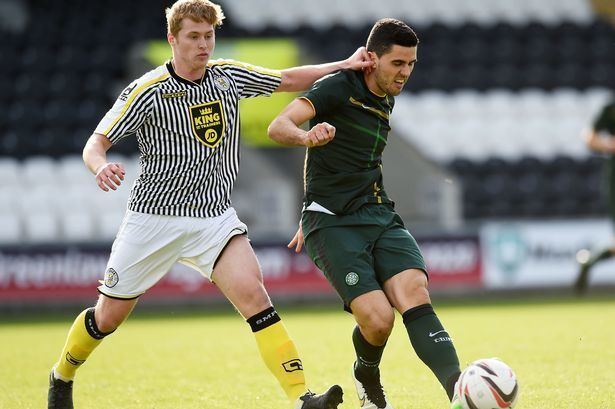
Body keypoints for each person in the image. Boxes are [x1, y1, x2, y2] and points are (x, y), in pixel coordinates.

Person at [47, 1, 373, 408]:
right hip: (153, 219)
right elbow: (96, 143)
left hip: (213, 218)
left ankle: (302, 397)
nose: (204, 45)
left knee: (256, 298)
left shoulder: (228, 77)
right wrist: (99, 167)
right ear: (172, 39)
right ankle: (62, 374)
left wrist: (343, 64)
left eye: (209, 36)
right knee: (107, 318)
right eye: (194, 37)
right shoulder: (147, 91)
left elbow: (288, 79)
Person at [268, 18, 463, 409]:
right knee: (378, 320)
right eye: (398, 64)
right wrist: (307, 137)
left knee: (414, 291)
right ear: (372, 59)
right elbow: (278, 125)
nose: (405, 73)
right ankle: (365, 373)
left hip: (378, 211)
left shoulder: (387, 92)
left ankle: (460, 393)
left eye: (411, 64)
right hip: (332, 220)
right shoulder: (337, 87)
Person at [575, 99, 615, 294]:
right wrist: (608, 145)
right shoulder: (610, 109)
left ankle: (589, 260)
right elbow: (589, 137)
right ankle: (589, 261)